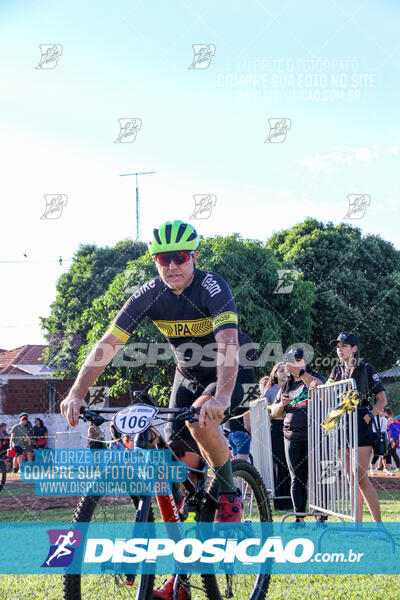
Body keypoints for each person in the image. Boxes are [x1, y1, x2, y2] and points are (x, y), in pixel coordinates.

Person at [60, 220, 257, 600]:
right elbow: (108, 343)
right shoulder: (149, 294)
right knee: (176, 465)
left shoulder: (212, 287)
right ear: (155, 262)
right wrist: (76, 391)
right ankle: (182, 578)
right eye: (162, 260)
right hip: (187, 375)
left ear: (193, 257)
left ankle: (230, 492)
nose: (171, 267)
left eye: (179, 258)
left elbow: (229, 343)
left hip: (231, 369)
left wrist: (221, 398)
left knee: (202, 422)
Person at [328, 332, 387, 522]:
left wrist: (369, 416)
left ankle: (379, 526)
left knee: (360, 477)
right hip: (340, 422)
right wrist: (314, 386)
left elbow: (382, 400)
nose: (339, 349)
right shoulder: (336, 371)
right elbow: (325, 394)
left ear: (354, 348)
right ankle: (357, 524)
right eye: (338, 346)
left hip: (361, 423)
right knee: (351, 480)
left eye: (344, 346)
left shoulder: (367, 368)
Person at [270, 350, 325, 521]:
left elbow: (323, 392)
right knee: (296, 478)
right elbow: (274, 412)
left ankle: (320, 517)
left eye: (297, 360)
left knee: (317, 477)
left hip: (314, 436)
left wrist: (301, 374)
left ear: (304, 362)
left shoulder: (315, 378)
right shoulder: (287, 385)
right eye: (289, 360)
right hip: (291, 437)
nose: (292, 363)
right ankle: (299, 518)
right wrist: (282, 405)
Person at [263, 362, 293, 510]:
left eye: (284, 370)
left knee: (291, 463)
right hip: (276, 427)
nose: (282, 373)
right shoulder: (270, 391)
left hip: (291, 427)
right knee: (279, 463)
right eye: (279, 371)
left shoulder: (292, 387)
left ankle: (292, 499)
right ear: (274, 374)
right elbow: (263, 410)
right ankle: (280, 501)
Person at [369, 408, 394, 476]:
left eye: (382, 411)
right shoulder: (373, 418)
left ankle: (388, 470)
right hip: (375, 436)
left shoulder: (385, 419)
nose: (381, 412)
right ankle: (372, 469)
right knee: (376, 454)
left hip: (384, 435)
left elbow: (387, 428)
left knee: (387, 453)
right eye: (380, 411)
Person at [386, 408, 400, 472]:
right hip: (392, 438)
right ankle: (397, 466)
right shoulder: (393, 422)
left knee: (391, 452)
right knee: (392, 452)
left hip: (393, 439)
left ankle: (396, 466)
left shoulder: (393, 423)